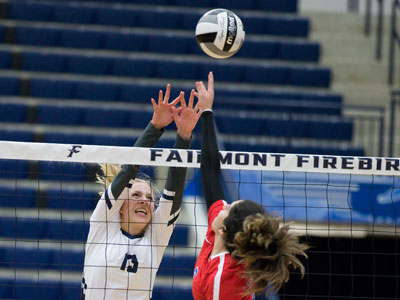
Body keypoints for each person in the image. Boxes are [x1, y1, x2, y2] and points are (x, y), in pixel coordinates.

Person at [192, 72, 308, 300]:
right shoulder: (219, 230)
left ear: (224, 230)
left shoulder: (223, 279)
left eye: (227, 208)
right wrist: (206, 112)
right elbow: (210, 172)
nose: (223, 205)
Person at [81, 84, 201, 300]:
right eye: (136, 195)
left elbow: (173, 190)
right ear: (120, 207)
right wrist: (154, 128)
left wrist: (184, 136)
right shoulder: (103, 225)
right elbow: (127, 171)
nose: (145, 201)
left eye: (149, 198)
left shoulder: (156, 237)